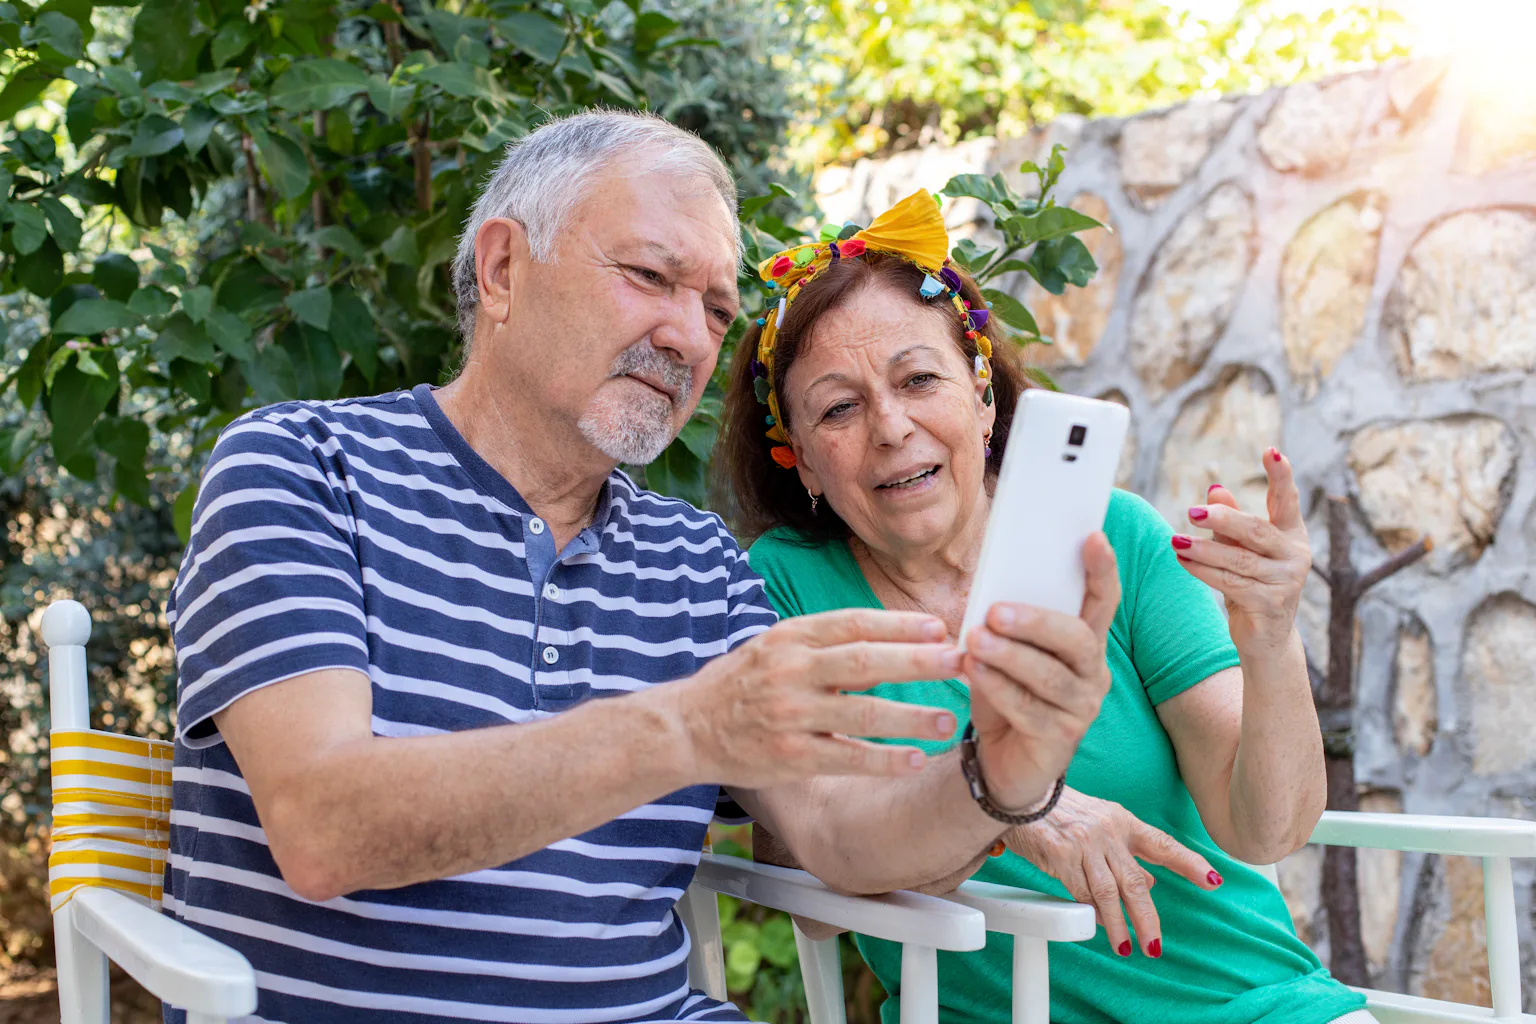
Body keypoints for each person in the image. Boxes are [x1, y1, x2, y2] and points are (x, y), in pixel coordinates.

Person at [165, 113, 1107, 1024]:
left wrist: (1001, 772)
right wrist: (687, 727)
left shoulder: (697, 566)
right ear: (502, 270)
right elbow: (325, 828)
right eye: (651, 277)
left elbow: (838, 830)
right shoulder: (302, 467)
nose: (691, 339)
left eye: (714, 310)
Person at [716, 191, 1375, 1024]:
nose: (890, 426)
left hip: (1257, 1003)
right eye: (839, 408)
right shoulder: (780, 589)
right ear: (801, 460)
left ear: (984, 400)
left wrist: (1272, 641)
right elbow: (822, 862)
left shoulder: (1115, 537)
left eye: (919, 379)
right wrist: (1010, 805)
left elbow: (1266, 830)